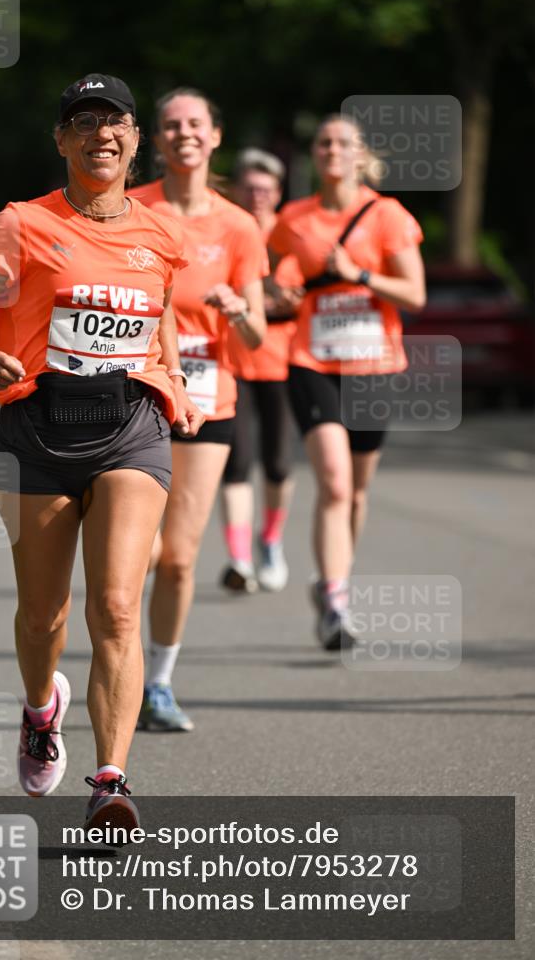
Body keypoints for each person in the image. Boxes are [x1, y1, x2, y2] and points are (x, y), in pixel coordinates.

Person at [0, 73, 202, 831]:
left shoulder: (159, 233)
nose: (101, 135)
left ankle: (111, 779)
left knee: (117, 607)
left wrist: (175, 378)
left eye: (114, 121)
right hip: (39, 429)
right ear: (61, 141)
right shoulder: (21, 224)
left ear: (135, 139)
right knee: (42, 616)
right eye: (83, 123)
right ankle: (40, 709)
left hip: (131, 427)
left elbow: (159, 313)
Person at [130, 88, 267, 732]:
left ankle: (158, 684)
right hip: (138, 393)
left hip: (209, 399)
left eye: (195, 124)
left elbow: (257, 337)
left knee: (180, 558)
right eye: (171, 125)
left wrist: (238, 311)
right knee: (141, 553)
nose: (184, 133)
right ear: (157, 140)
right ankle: (117, 666)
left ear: (215, 136)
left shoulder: (239, 227)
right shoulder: (133, 210)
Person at [268, 114, 425, 650]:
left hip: (374, 367)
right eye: (324, 143)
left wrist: (359, 274)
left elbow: (415, 293)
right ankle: (337, 604)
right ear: (315, 155)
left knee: (355, 494)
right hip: (312, 362)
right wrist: (280, 293)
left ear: (360, 155)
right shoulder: (294, 218)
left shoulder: (387, 216)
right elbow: (269, 276)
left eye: (343, 143)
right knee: (334, 483)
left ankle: (333, 580)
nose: (332, 150)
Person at [220, 149, 303, 593]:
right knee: (236, 464)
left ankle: (270, 540)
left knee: (278, 463)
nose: (257, 196)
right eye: (250, 188)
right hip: (231, 361)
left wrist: (290, 302)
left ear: (278, 193)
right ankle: (239, 560)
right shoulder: (226, 230)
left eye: (266, 189)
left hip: (283, 362)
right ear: (237, 190)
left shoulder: (293, 234)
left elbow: (310, 290)